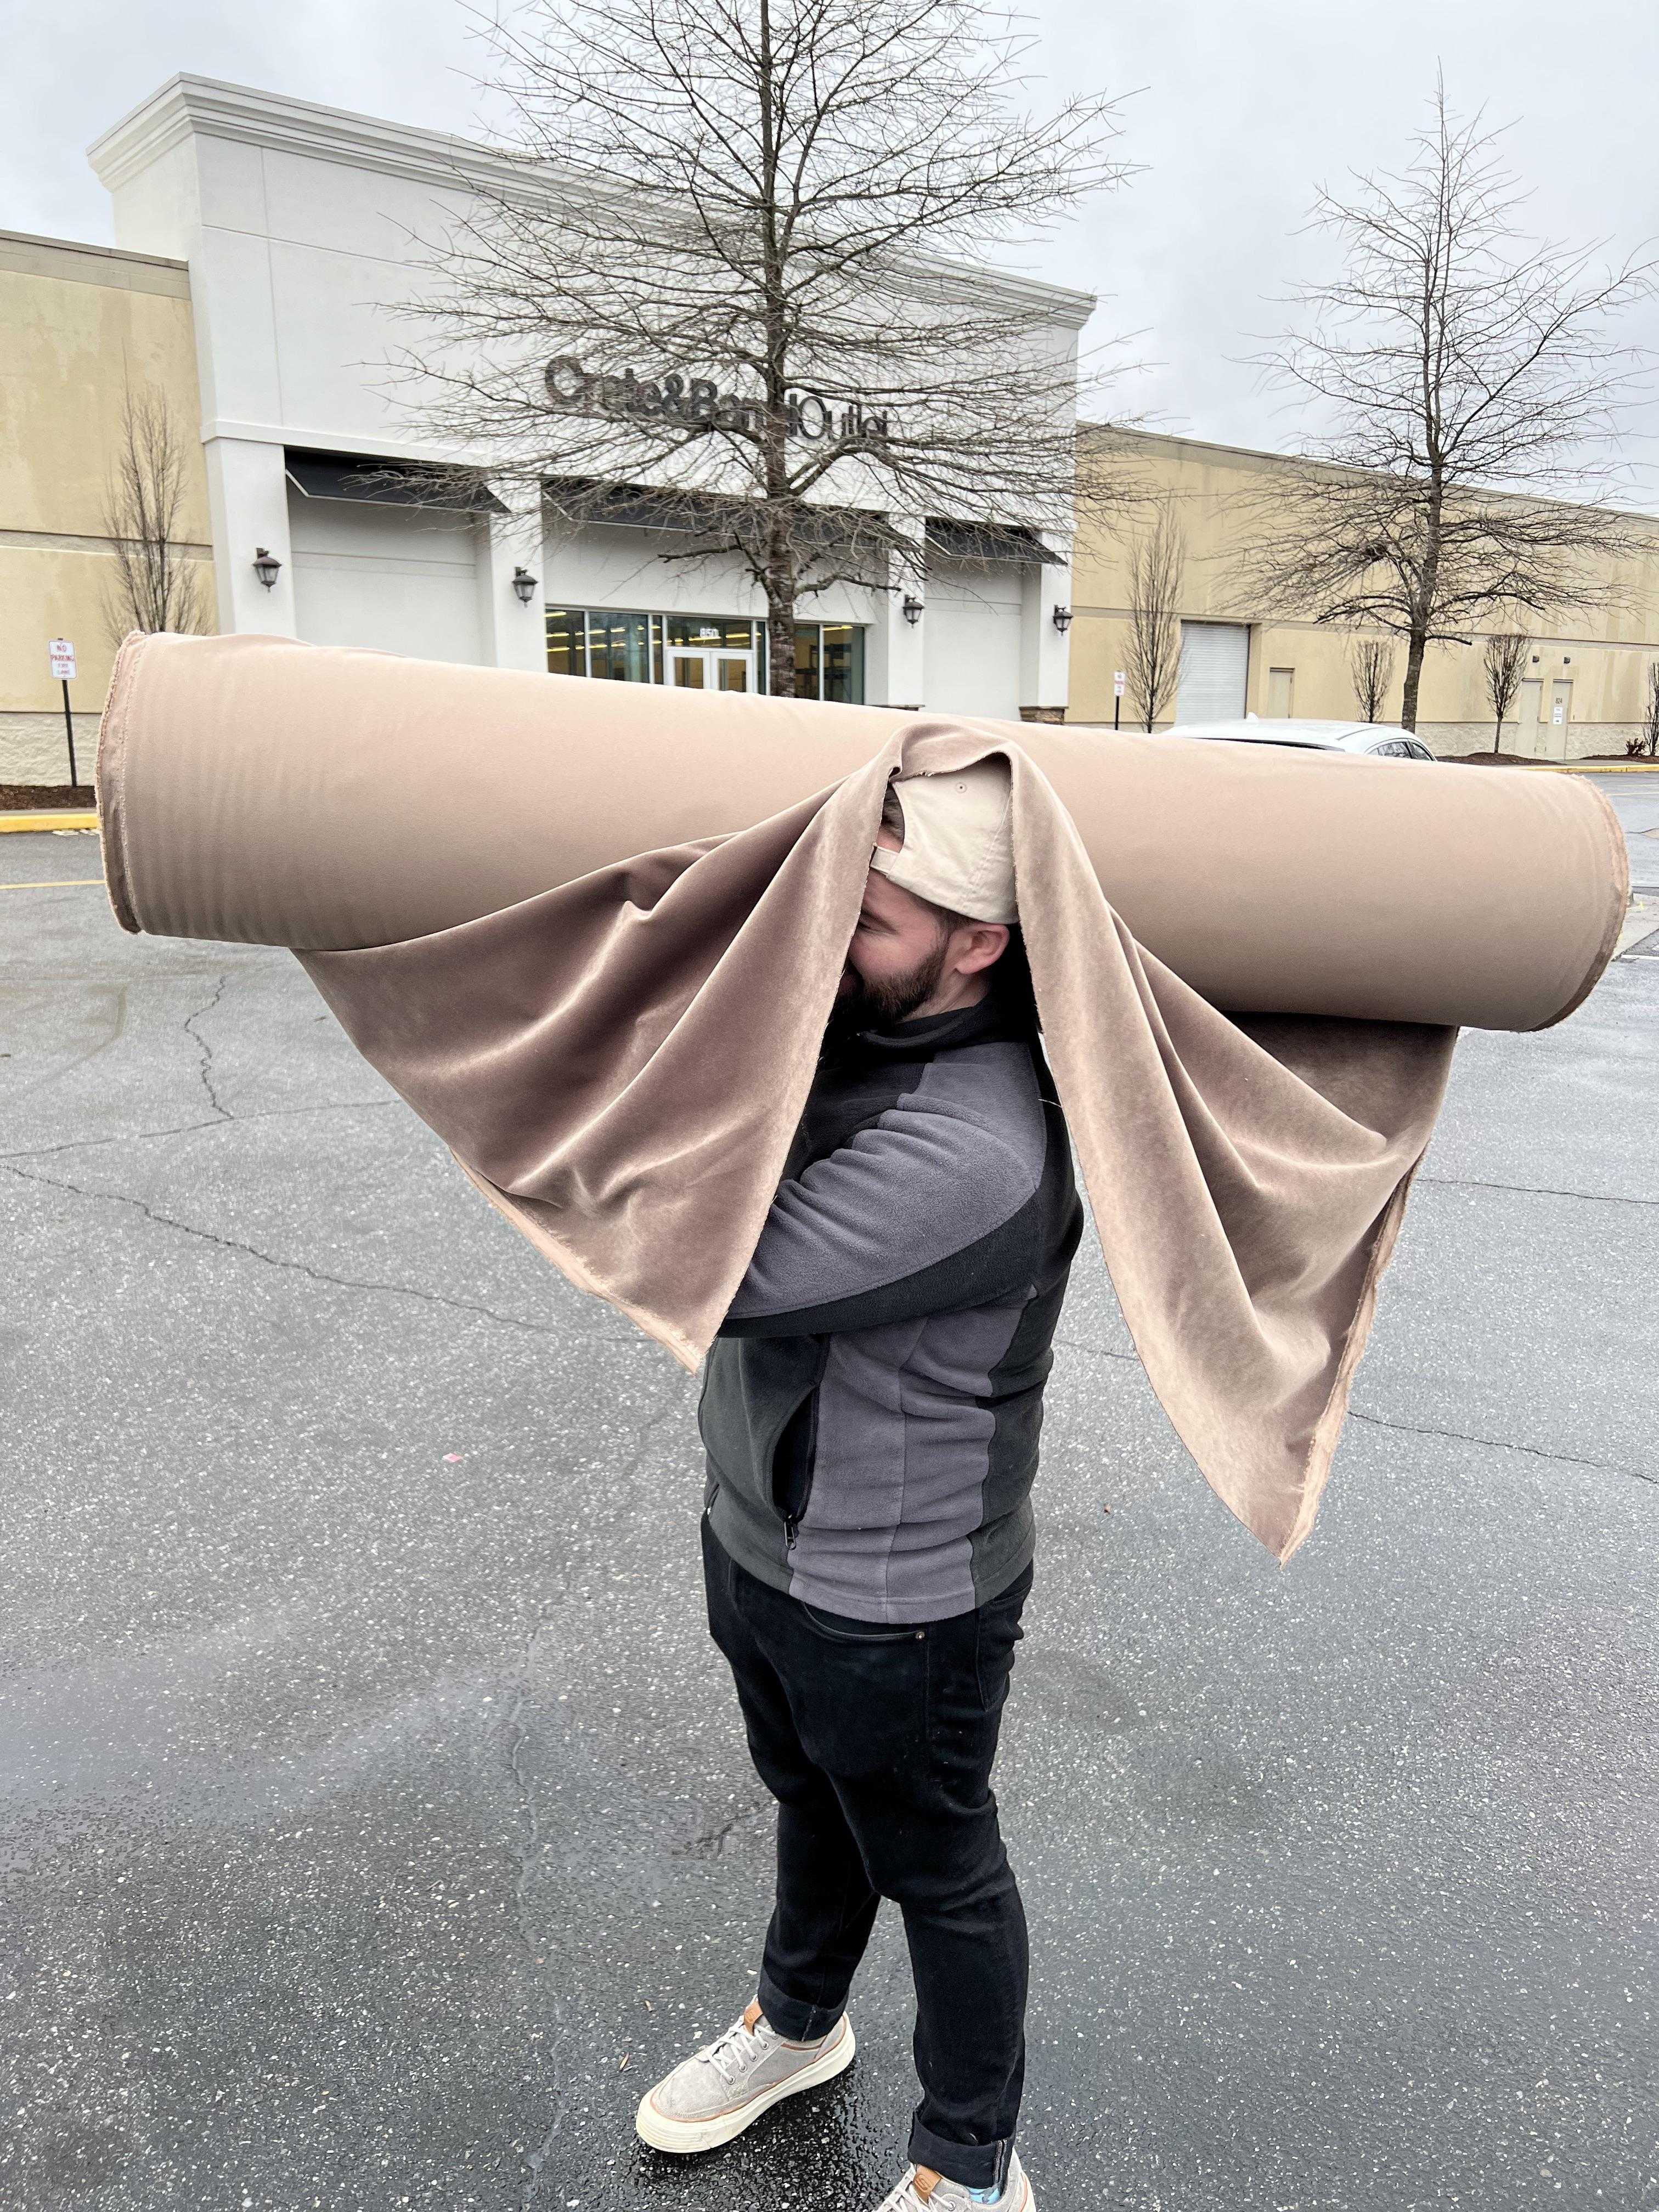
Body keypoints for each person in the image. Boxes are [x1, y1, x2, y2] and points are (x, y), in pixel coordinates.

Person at [635, 760, 1082, 2212]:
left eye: (869, 923)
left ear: (981, 942)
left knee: (939, 1866)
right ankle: (801, 2026)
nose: (826, 944)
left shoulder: (976, 1145)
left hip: (893, 1596)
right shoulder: (854, 1028)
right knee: (809, 1799)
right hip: (759, 1538)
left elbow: (708, 1267)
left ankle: (968, 2162)